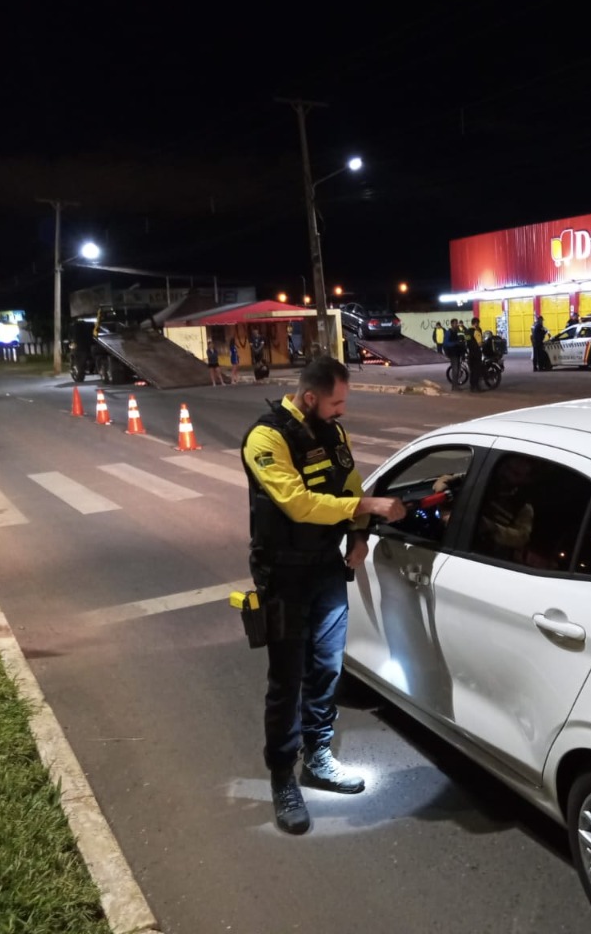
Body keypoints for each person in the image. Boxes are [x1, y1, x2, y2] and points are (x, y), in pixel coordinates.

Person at [241, 355, 407, 836]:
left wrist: (359, 533)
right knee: (286, 680)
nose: (342, 412)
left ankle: (318, 757)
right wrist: (368, 505)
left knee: (327, 669)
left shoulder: (333, 434)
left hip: (326, 571)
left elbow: (348, 485)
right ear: (310, 398)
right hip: (284, 577)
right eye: (336, 402)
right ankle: (282, 778)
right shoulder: (266, 437)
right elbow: (297, 503)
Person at [442, 318, 465, 391]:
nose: (456, 324)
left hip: (458, 353)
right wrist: (455, 343)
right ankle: (454, 387)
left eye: (457, 323)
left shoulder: (457, 331)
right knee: (455, 370)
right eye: (455, 323)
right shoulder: (448, 332)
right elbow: (445, 343)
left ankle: (456, 386)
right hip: (453, 353)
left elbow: (463, 337)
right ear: (451, 324)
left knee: (457, 370)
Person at [465, 316, 485, 392]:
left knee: (472, 371)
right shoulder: (476, 331)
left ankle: (472, 387)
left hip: (470, 353)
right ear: (476, 323)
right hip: (476, 353)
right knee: (477, 371)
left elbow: (467, 342)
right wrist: (483, 343)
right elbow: (479, 344)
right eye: (478, 323)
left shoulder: (467, 331)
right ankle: (477, 387)